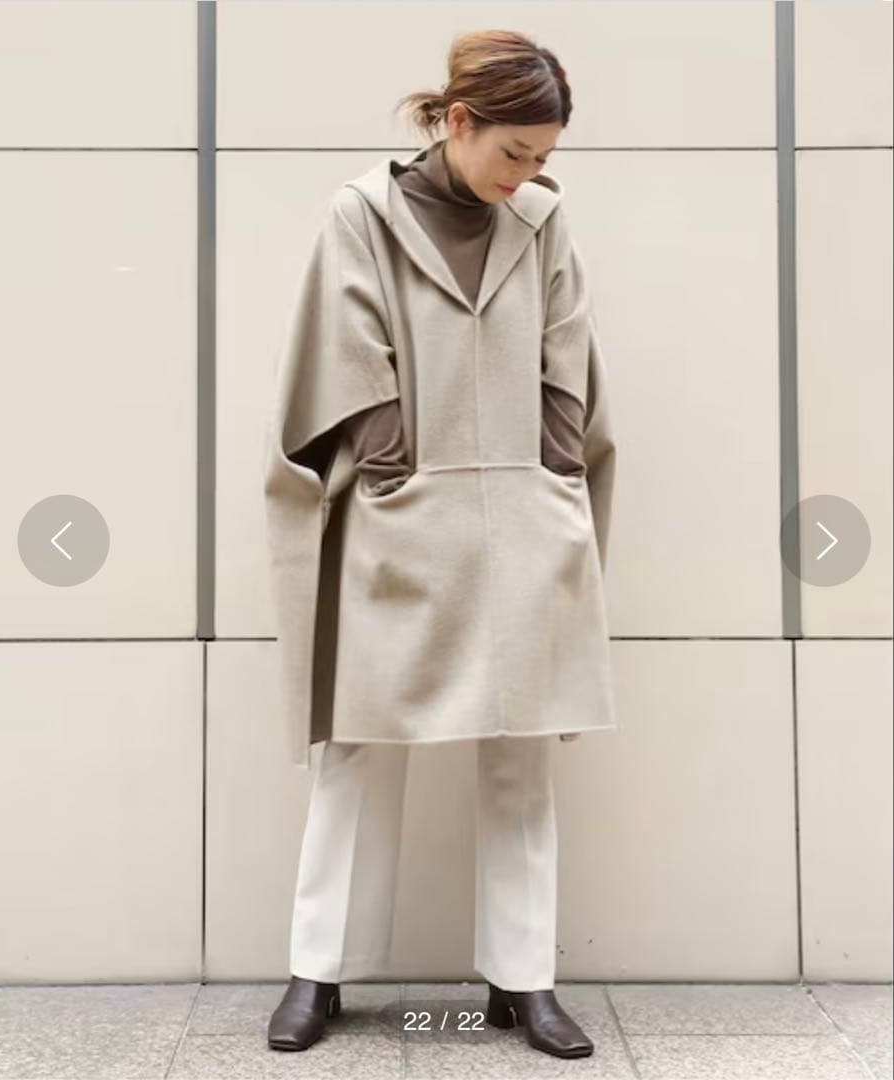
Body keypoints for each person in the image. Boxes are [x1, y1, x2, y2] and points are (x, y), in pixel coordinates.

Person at [264, 28, 618, 1062]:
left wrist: (552, 464)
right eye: (513, 151)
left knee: (519, 751)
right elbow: (344, 346)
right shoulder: (363, 214)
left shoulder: (540, 220)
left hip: (523, 513)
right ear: (457, 121)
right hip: (397, 510)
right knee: (360, 745)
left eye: (542, 157)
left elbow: (566, 350)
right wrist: (391, 464)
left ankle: (524, 980)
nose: (525, 175)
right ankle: (317, 970)